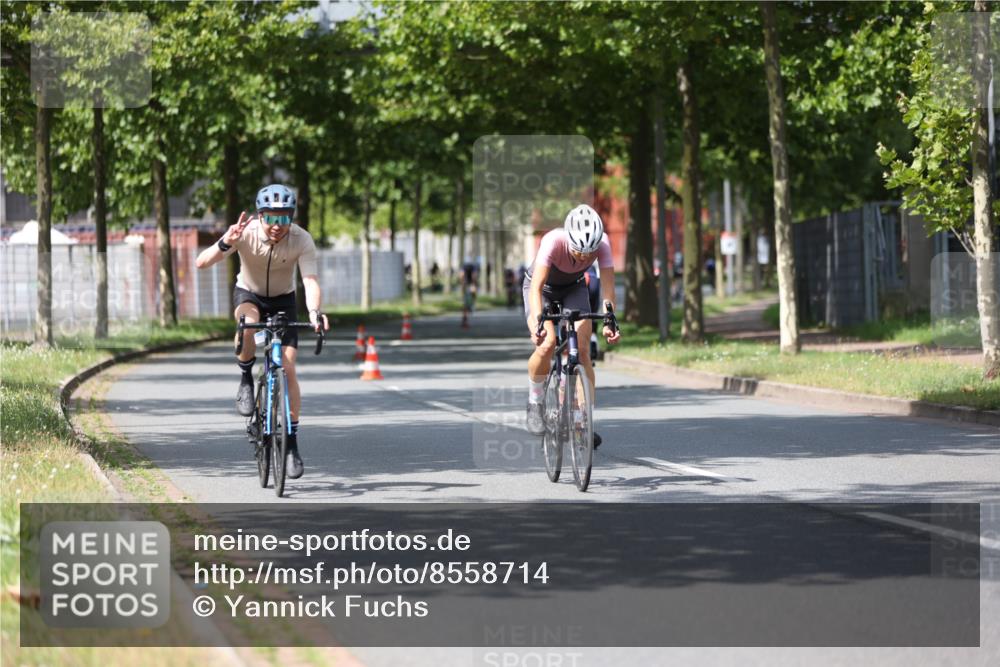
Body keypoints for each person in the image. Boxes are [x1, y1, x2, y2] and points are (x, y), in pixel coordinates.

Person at [195, 184, 329, 480]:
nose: (277, 226)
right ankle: (245, 378)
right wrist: (225, 242)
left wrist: (314, 312)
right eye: (271, 218)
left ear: (291, 218)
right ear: (260, 216)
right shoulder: (245, 233)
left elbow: (310, 280)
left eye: (284, 218)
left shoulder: (302, 239)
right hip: (249, 295)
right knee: (247, 325)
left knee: (288, 368)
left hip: (283, 300)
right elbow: (200, 262)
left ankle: (291, 443)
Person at [524, 204, 620, 447]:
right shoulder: (553, 241)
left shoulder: (603, 243)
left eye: (590, 252)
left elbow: (608, 289)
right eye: (579, 251)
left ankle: (582, 421)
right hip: (542, 290)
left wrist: (610, 319)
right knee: (547, 344)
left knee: (583, 350)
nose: (585, 257)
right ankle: (535, 401)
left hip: (574, 288)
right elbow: (536, 288)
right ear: (569, 240)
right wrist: (538, 322)